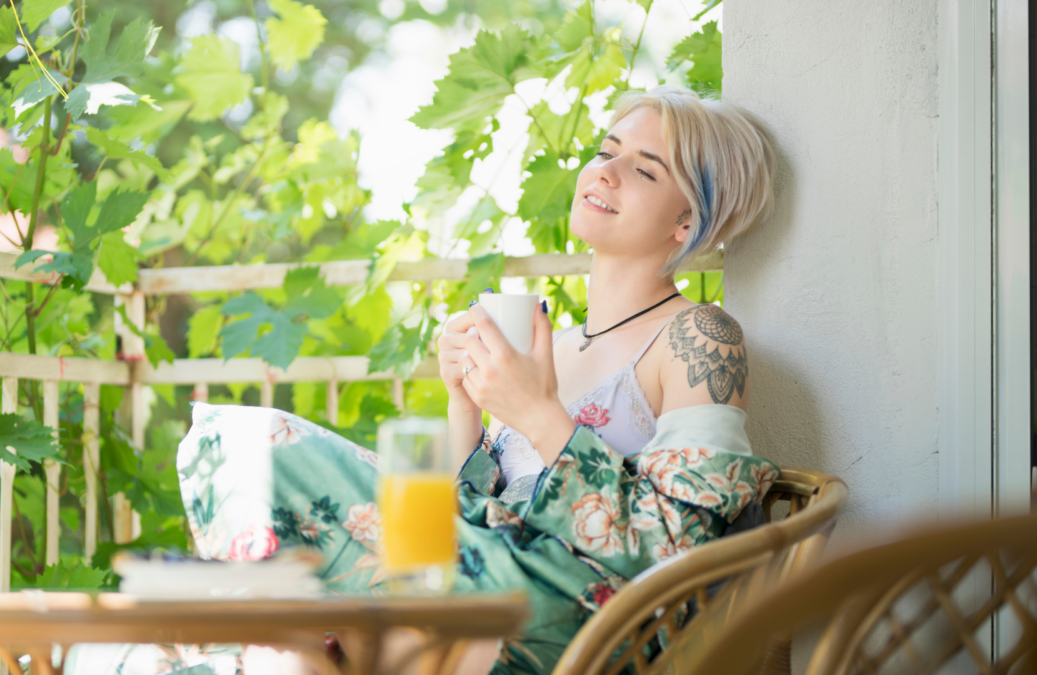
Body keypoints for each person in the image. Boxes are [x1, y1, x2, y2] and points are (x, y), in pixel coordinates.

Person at [63, 85, 779, 675]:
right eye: (605, 152)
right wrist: (466, 407)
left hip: (577, 623)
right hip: (467, 585)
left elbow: (681, 546)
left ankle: (275, 631)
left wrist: (537, 411)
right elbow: (470, 508)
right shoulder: (550, 343)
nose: (606, 173)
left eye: (645, 169)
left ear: (687, 220)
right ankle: (280, 644)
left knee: (252, 443)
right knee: (138, 651)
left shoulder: (698, 337)